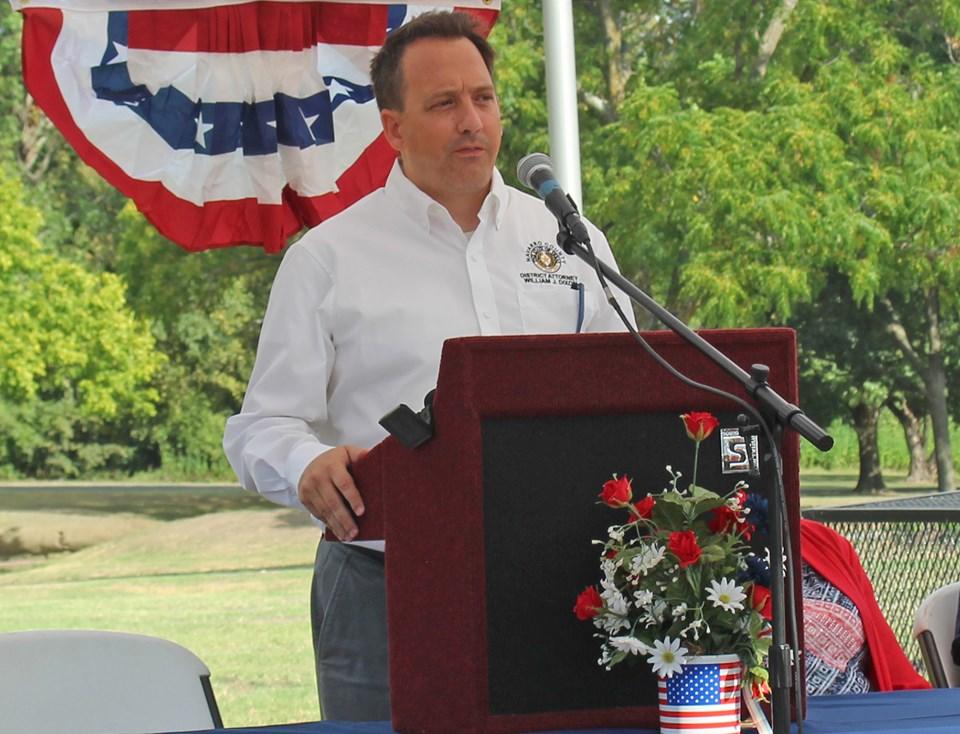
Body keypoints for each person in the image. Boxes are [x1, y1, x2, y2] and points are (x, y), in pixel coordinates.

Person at [222, 10, 635, 722]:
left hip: (561, 577)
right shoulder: (328, 258)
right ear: (392, 128)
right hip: (386, 588)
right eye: (444, 104)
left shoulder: (567, 238)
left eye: (483, 97)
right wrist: (305, 464)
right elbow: (261, 426)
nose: (471, 120)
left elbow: (627, 385)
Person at [800, 518, 931, 694]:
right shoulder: (750, 568)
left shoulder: (823, 542)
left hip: (862, 708)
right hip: (771, 717)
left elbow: (892, 664)